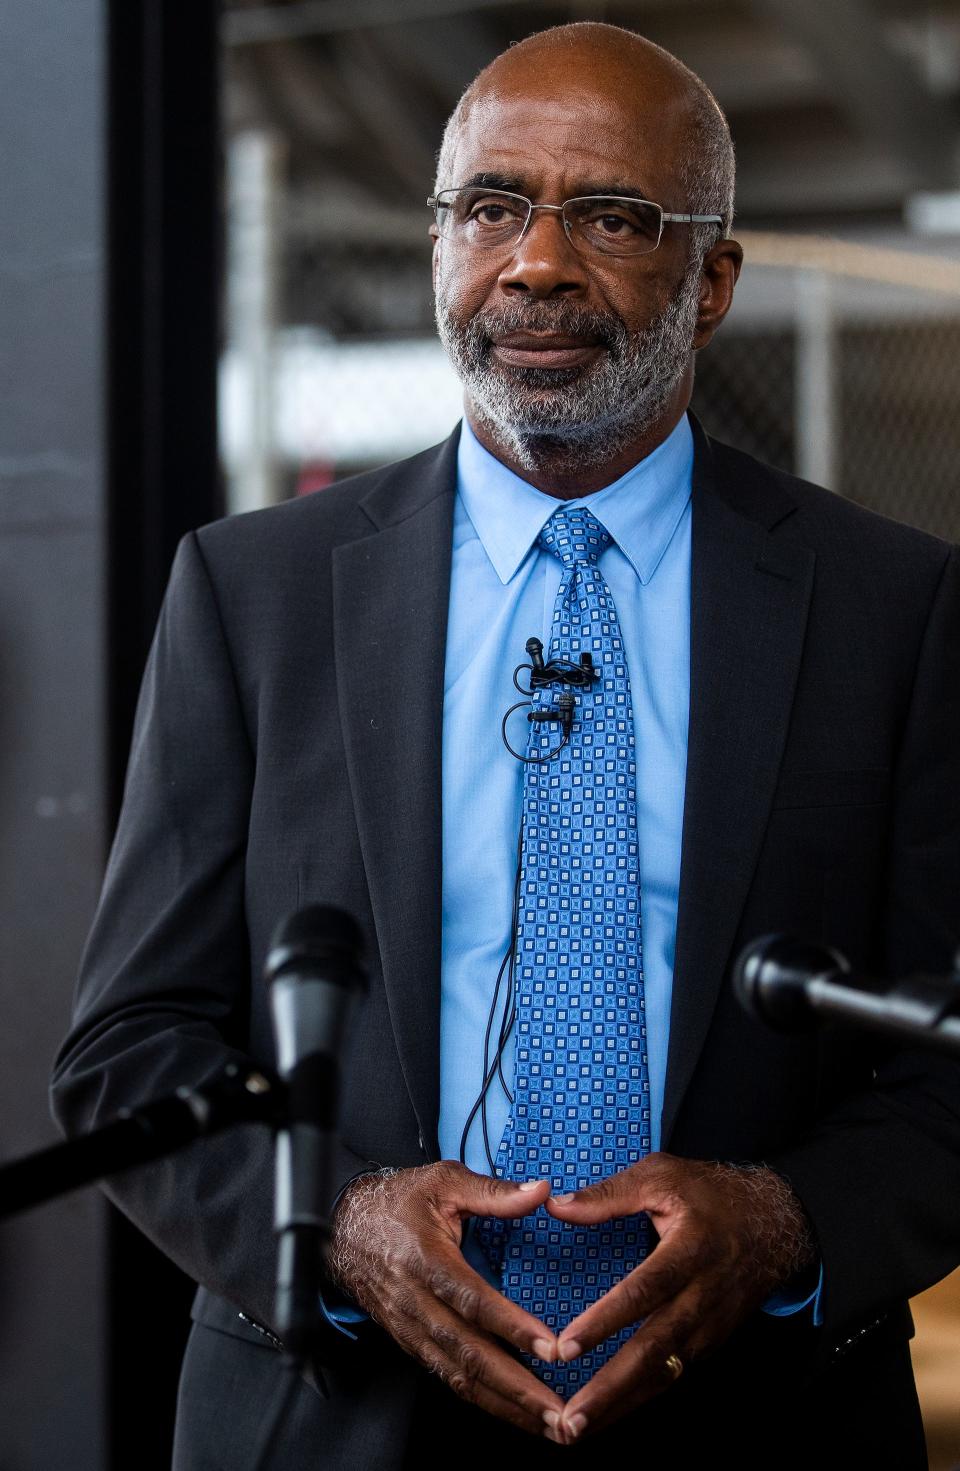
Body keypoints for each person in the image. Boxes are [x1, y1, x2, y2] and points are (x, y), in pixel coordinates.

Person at [51, 21, 959, 1470]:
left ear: (712, 280)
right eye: (490, 207)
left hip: (758, 1423)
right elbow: (129, 1053)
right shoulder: (252, 595)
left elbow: (946, 1059)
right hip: (332, 1419)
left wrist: (788, 1221)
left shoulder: (896, 612)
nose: (536, 262)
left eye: (610, 216)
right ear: (439, 249)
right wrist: (344, 1230)